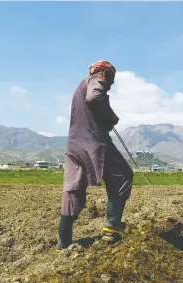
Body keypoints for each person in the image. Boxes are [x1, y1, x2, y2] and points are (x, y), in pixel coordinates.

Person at [57, 60, 134, 250]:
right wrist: (110, 117)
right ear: (104, 74)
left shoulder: (78, 88)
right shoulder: (95, 81)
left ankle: (64, 241)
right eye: (111, 79)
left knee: (74, 189)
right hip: (94, 144)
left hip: (74, 146)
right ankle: (113, 226)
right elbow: (94, 98)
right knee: (123, 176)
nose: (111, 84)